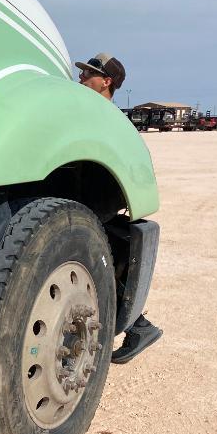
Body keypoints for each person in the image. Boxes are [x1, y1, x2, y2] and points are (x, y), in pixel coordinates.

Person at [74, 52, 163, 362]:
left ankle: (138, 326)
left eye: (89, 75)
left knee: (99, 260)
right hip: (92, 200)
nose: (82, 78)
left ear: (106, 82)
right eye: (83, 73)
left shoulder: (108, 118)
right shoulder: (93, 112)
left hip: (98, 201)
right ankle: (138, 326)